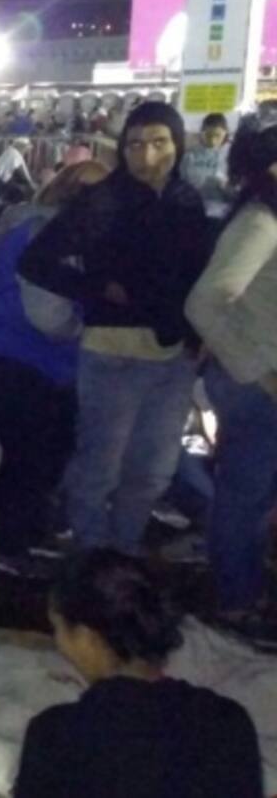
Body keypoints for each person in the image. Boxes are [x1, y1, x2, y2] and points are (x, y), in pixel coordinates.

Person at [19, 102, 212, 555]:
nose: (147, 156)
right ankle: (92, 555)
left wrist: (199, 334)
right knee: (100, 468)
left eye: (159, 143)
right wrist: (97, 289)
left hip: (173, 358)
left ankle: (123, 551)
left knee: (152, 471)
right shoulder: (104, 200)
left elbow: (199, 273)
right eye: (135, 144)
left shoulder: (186, 200)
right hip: (113, 354)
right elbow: (36, 261)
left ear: (178, 145)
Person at [15, 550, 263, 798]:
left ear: (86, 638)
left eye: (58, 629)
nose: (58, 643)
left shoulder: (54, 735)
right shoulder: (228, 722)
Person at [0, 161, 110, 578]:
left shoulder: (30, 224)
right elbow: (48, 315)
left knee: (38, 454)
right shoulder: (50, 233)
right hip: (24, 359)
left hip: (14, 357)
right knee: (29, 458)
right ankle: (7, 545)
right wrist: (88, 327)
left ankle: (28, 533)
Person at [185, 117, 277, 643]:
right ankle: (237, 601)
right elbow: (205, 302)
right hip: (254, 385)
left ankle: (244, 587)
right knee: (245, 497)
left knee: (253, 496)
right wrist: (259, 373)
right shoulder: (261, 222)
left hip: (256, 379)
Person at [180, 113, 231, 219]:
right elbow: (181, 182)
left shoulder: (230, 156)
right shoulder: (190, 156)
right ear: (202, 133)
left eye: (217, 135)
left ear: (225, 134)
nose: (212, 140)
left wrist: (227, 188)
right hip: (192, 208)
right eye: (208, 135)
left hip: (220, 210)